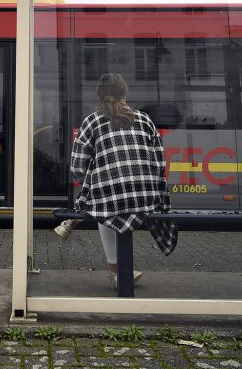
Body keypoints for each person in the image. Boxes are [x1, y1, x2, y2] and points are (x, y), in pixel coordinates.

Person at [55, 72, 177, 287]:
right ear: (124, 92)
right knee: (106, 192)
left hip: (110, 199)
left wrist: (96, 176)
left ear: (99, 94)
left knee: (104, 197)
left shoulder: (91, 122)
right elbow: (160, 163)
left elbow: (76, 167)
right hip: (146, 196)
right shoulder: (144, 118)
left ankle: (116, 269)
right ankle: (74, 222)